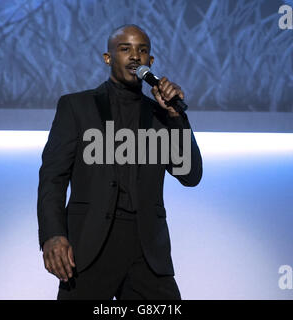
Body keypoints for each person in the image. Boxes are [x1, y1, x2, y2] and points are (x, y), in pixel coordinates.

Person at [37, 24, 202, 300]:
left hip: (147, 251)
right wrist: (52, 234)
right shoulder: (77, 107)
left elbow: (190, 175)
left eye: (143, 50)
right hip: (90, 246)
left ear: (151, 62)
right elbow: (52, 178)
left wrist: (175, 117)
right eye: (125, 49)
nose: (135, 56)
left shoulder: (161, 115)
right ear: (108, 57)